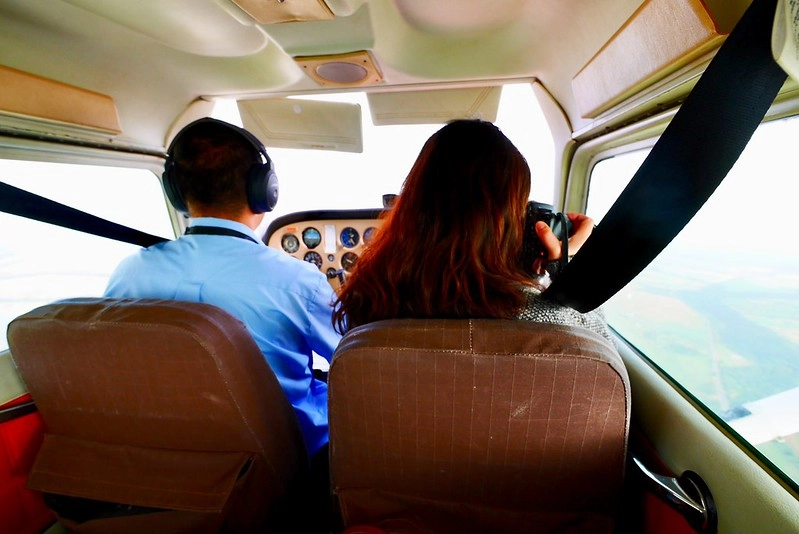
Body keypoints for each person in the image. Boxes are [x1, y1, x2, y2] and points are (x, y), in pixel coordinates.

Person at [104, 117, 341, 463]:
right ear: (264, 191)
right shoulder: (298, 282)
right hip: (283, 462)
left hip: (168, 454)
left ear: (176, 192)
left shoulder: (129, 273)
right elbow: (355, 361)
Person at [332, 119, 612, 342]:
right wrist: (567, 270)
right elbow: (600, 358)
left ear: (410, 209)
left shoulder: (366, 303)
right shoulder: (544, 321)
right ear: (508, 222)